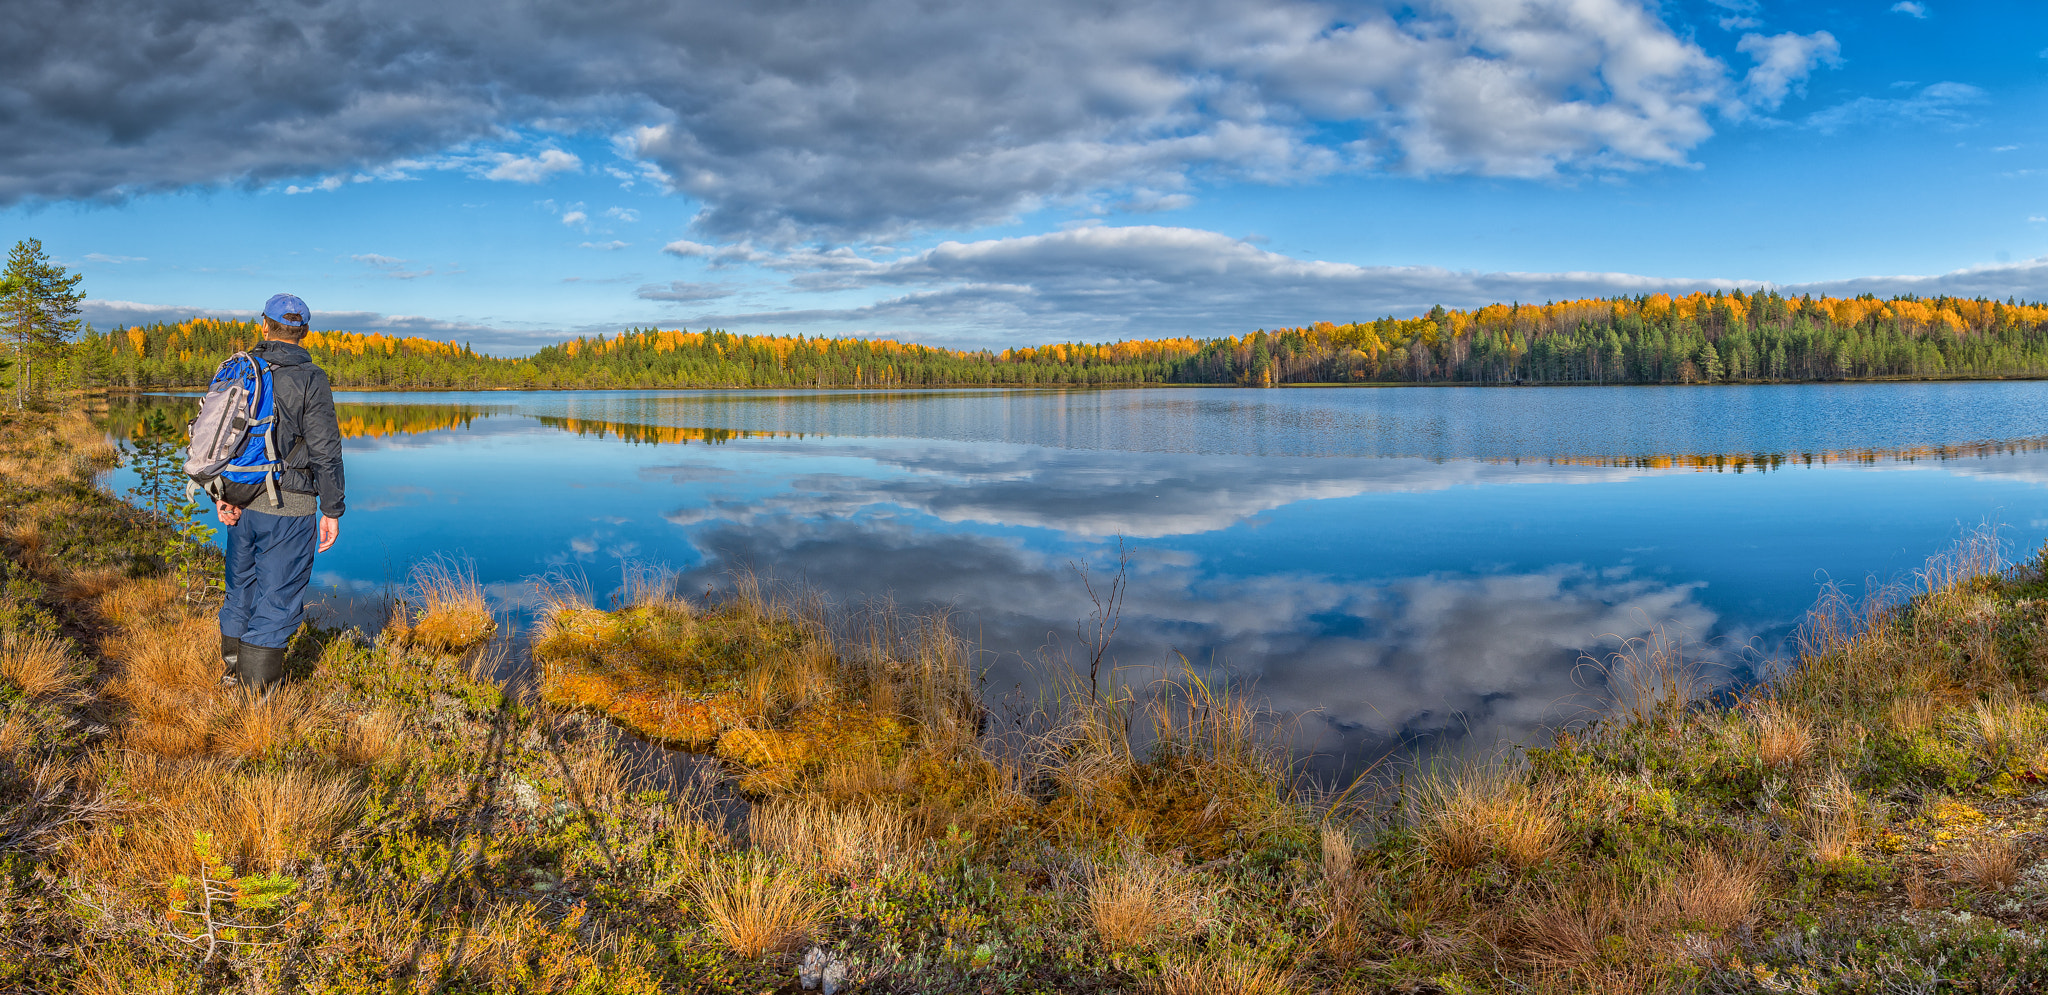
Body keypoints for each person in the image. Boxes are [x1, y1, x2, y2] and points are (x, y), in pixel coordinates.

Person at [213, 293, 346, 688]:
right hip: (290, 506)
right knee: (278, 600)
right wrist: (333, 509)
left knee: (241, 589)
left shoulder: (241, 371)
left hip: (239, 500)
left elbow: (217, 439)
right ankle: (255, 703)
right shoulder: (311, 378)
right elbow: (325, 449)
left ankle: (233, 674)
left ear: (264, 326)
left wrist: (221, 493)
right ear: (304, 332)